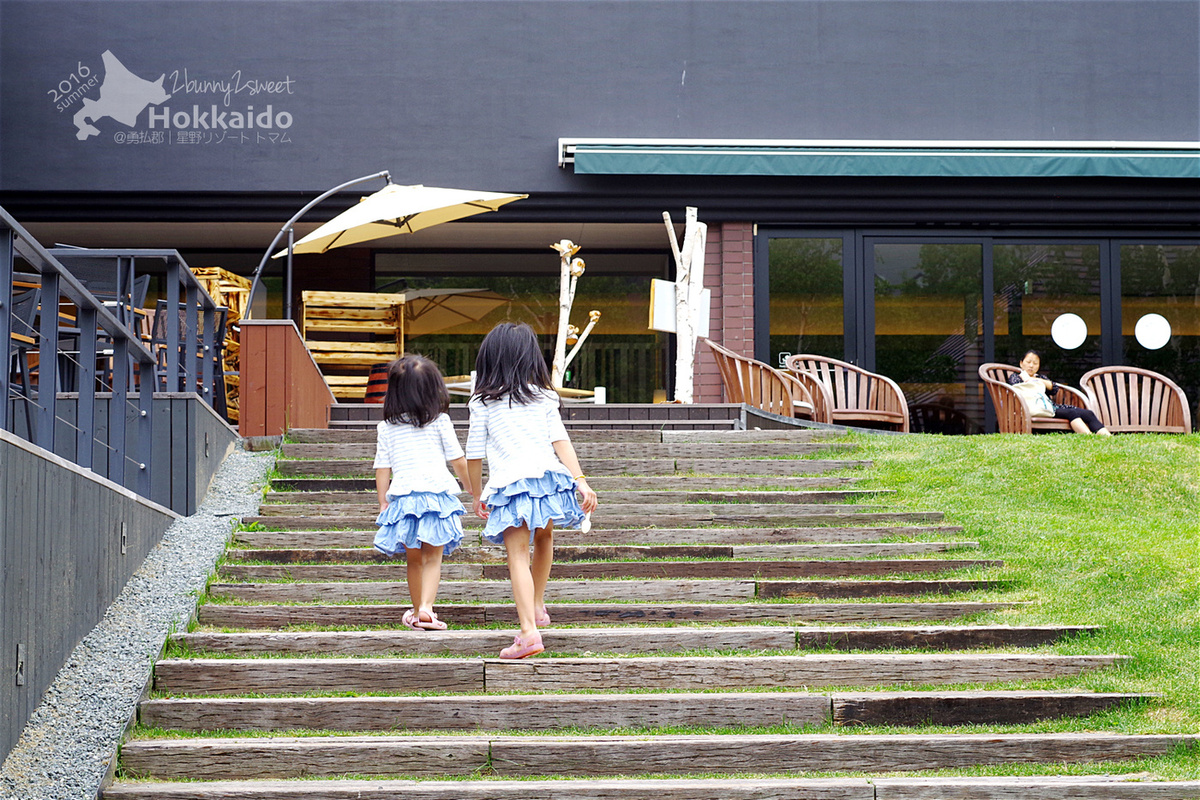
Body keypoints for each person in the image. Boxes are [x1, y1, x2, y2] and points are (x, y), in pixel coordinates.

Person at [466, 322, 599, 659]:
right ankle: (537, 605)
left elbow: (474, 454)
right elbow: (561, 442)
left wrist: (477, 492)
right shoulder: (543, 397)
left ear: (490, 359)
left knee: (516, 556)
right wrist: (580, 480)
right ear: (530, 358)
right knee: (545, 540)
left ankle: (528, 632)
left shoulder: (483, 402)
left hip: (510, 486)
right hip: (547, 481)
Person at [373, 354, 475, 631]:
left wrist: (383, 501)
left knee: (414, 559)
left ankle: (418, 610)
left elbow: (382, 467)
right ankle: (427, 608)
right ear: (433, 389)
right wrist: (472, 489)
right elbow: (458, 460)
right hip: (437, 498)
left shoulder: (387, 427)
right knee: (433, 559)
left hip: (404, 500)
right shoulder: (440, 421)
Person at [1008, 350, 1111, 435]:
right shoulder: (1015, 377)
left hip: (1050, 407)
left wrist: (1037, 380)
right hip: (1034, 408)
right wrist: (1029, 380)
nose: (1031, 366)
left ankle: (1107, 438)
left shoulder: (1041, 377)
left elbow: (1054, 389)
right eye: (1028, 362)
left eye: (1035, 363)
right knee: (1071, 413)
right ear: (1021, 363)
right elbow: (1016, 389)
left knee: (1088, 413)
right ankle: (1089, 438)